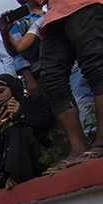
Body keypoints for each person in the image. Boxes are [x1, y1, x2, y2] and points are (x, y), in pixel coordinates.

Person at [37, 0, 103, 171]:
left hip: (84, 4)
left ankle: (101, 143)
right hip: (55, 15)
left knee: (97, 68)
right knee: (51, 80)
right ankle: (78, 148)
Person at [0, 73, 52, 191]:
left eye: (0, 91)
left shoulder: (34, 100)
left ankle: (15, 175)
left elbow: (45, 123)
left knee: (18, 130)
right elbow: (1, 148)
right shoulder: (0, 114)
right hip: (7, 164)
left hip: (38, 156)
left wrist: (20, 116)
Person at [0, 1, 46, 95]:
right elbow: (18, 55)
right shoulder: (18, 22)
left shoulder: (49, 14)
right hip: (41, 70)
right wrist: (28, 78)